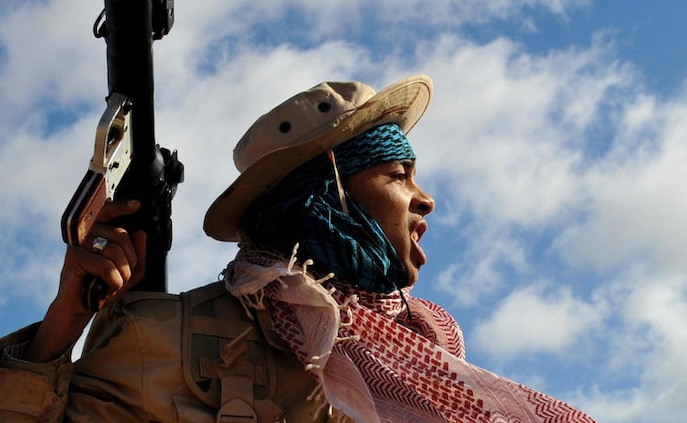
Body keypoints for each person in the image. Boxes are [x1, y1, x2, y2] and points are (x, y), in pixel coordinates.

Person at [0, 75, 597, 422]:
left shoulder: (425, 351)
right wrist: (61, 326)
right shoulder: (168, 335)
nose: (426, 200)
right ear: (327, 191)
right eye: (396, 174)